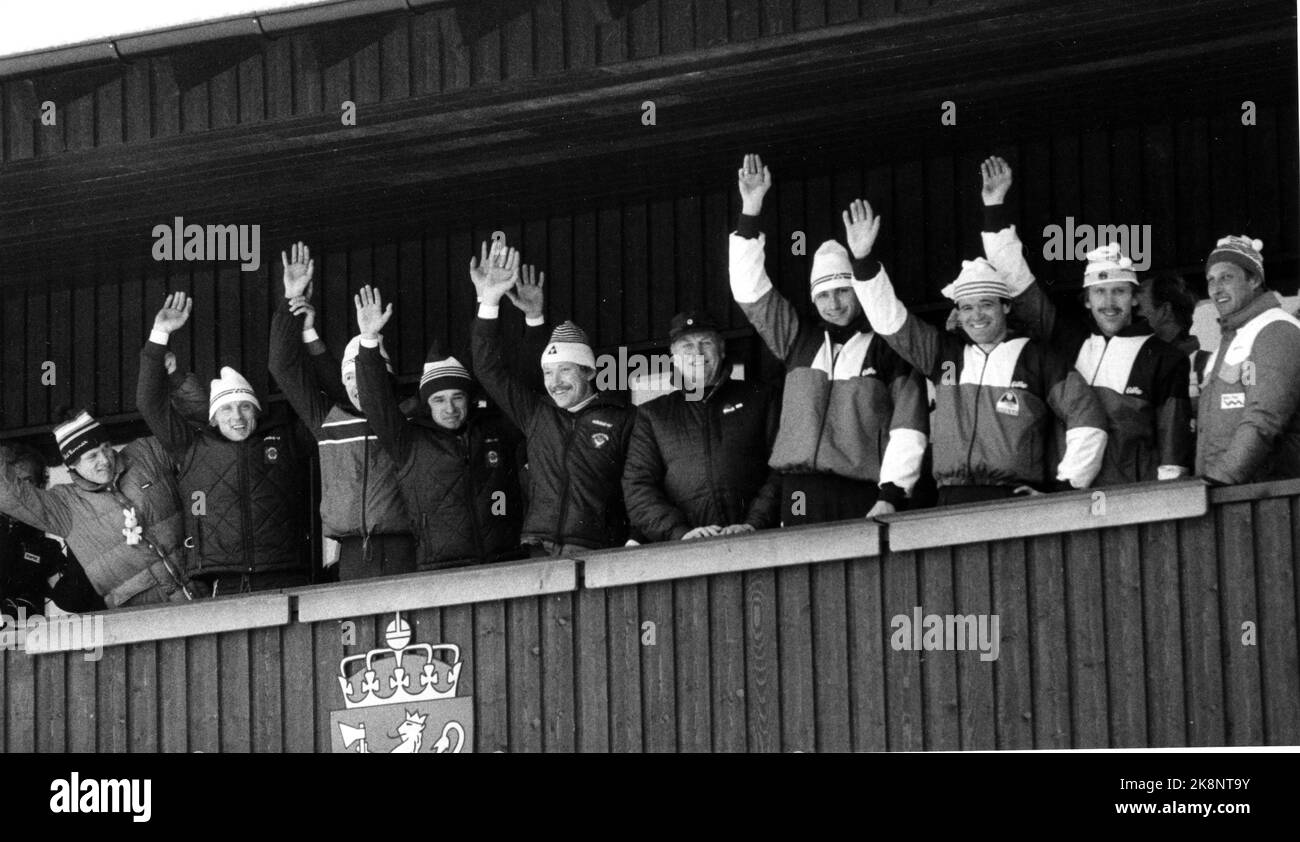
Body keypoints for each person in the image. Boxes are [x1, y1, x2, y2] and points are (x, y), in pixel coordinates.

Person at [847, 196, 1108, 505]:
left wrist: (1066, 488)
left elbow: (1087, 417)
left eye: (986, 304)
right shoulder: (944, 355)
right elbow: (889, 320)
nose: (976, 315)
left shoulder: (1038, 357)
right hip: (951, 498)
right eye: (966, 307)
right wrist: (863, 260)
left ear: (1007, 306)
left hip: (1014, 499)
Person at [729, 154, 928, 523]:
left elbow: (908, 424)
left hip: (863, 493)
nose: (833, 304)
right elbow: (749, 291)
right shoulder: (798, 340)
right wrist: (750, 209)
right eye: (823, 295)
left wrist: (892, 493)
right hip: (800, 493)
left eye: (842, 292)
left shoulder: (887, 346)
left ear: (858, 291)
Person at [981, 157, 1192, 485]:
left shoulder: (1166, 359)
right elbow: (1016, 281)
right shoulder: (1065, 338)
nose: (1109, 303)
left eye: (1119, 291)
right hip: (1066, 498)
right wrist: (994, 206)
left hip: (1132, 503)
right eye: (1100, 292)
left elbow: (1173, 451)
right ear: (1087, 298)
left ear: (1135, 297)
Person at [138, 292, 311, 595]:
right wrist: (160, 335)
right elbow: (150, 403)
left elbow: (298, 382)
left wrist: (293, 306)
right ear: (213, 419)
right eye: (227, 410)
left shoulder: (286, 440)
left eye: (245, 407)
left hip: (284, 574)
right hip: (223, 580)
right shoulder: (192, 447)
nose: (238, 418)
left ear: (257, 411)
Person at [470, 240, 635, 556]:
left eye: (565, 371)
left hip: (599, 550)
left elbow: (639, 486)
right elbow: (488, 368)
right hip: (540, 548)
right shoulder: (536, 413)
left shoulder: (623, 418)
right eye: (548, 373)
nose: (555, 383)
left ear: (588, 372)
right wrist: (489, 299)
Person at [268, 242, 415, 579]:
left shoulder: (408, 417)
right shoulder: (331, 420)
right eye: (350, 377)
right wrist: (291, 300)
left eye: (363, 375)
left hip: (403, 546)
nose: (356, 385)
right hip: (350, 552)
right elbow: (282, 367)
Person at [354, 284, 524, 568]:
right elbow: (375, 403)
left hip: (505, 560)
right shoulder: (409, 443)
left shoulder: (494, 430)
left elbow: (505, 375)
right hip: (441, 567)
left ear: (469, 400)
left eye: (458, 397)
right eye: (439, 399)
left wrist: (489, 303)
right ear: (426, 404)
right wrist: (369, 340)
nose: (450, 407)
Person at [0, 412, 196, 608]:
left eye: (106, 448)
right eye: (92, 455)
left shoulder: (146, 454)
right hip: (141, 617)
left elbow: (186, 434)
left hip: (201, 591)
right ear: (73, 463)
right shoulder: (65, 505)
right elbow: (10, 493)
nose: (104, 459)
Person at [622, 311, 781, 542]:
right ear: (674, 357)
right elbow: (638, 486)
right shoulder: (653, 414)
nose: (697, 353)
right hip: (686, 553)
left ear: (722, 349)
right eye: (687, 346)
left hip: (759, 541)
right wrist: (681, 533)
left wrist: (753, 523)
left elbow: (783, 467)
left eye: (705, 343)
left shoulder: (761, 397)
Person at [1196, 235, 1300, 484]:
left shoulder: (1277, 330)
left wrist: (1221, 478)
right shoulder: (1229, 339)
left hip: (1266, 496)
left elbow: (1264, 415)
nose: (1216, 288)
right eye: (1211, 280)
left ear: (1254, 279)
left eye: (1226, 277)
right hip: (1232, 495)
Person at [0, 442, 105, 615]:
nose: (16, 492)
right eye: (10, 484)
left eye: (25, 483)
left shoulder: (45, 546)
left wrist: (77, 541)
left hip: (22, 635)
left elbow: (73, 600)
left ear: (41, 487)